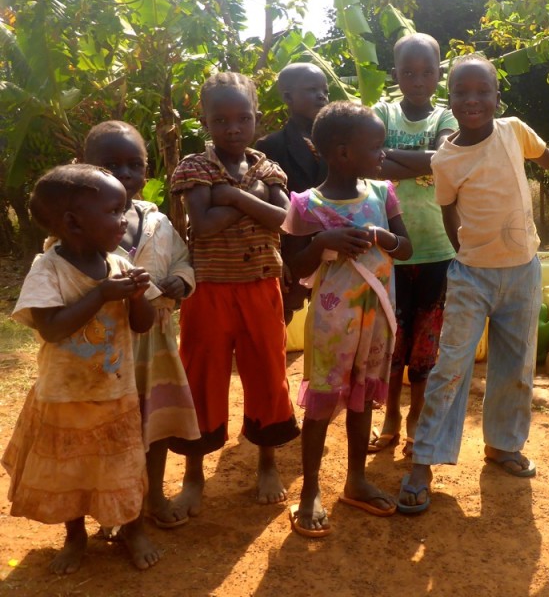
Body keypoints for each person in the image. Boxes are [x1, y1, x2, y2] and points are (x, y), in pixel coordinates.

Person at [396, 55, 549, 514]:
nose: (473, 100)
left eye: (483, 92)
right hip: (472, 276)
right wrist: (464, 250)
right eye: (463, 92)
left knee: (517, 366)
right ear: (451, 99)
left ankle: (502, 445)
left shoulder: (513, 130)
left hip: (523, 269)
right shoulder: (446, 159)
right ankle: (424, 461)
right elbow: (447, 208)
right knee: (451, 367)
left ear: (497, 98)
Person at [3, 164, 160, 573]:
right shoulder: (49, 269)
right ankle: (76, 537)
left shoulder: (120, 265)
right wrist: (102, 295)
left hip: (114, 396)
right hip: (65, 398)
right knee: (70, 471)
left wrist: (138, 296)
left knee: (124, 467)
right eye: (113, 211)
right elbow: (51, 328)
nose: (123, 219)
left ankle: (133, 528)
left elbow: (142, 325)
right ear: (73, 223)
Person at [168, 72, 300, 515]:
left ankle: (266, 462)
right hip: (209, 291)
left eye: (242, 118)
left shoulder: (269, 168)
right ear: (204, 121)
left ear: (256, 119)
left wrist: (233, 197)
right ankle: (193, 476)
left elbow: (284, 219)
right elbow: (202, 225)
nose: (232, 128)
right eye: (220, 119)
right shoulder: (194, 168)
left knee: (267, 370)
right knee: (203, 376)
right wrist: (255, 200)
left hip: (263, 287)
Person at [282, 101, 413, 536]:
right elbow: (296, 268)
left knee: (362, 398)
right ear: (341, 153)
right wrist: (323, 242)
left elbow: (406, 248)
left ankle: (356, 479)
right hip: (331, 324)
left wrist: (382, 235)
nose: (383, 153)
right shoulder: (305, 205)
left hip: (376, 319)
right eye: (375, 146)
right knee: (322, 401)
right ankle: (310, 491)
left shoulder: (382, 194)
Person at [82, 121, 201, 529]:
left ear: (147, 173)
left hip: (156, 342)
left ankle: (154, 494)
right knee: (110, 428)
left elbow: (183, 259)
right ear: (86, 168)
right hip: (106, 348)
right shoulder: (80, 228)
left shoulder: (159, 222)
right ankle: (114, 506)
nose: (125, 174)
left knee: (156, 423)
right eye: (111, 165)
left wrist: (179, 281)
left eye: (134, 164)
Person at [368, 33, 457, 458]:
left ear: (438, 75)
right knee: (391, 342)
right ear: (396, 74)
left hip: (438, 249)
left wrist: (392, 162)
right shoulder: (381, 112)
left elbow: (443, 160)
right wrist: (419, 160)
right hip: (389, 249)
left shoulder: (447, 118)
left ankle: (416, 417)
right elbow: (370, 162)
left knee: (425, 344)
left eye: (426, 72)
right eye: (408, 72)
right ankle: (389, 417)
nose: (417, 79)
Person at [255, 62, 330, 322]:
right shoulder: (271, 145)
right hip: (292, 249)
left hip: (333, 246)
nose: (321, 95)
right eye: (312, 89)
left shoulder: (338, 140)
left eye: (324, 90)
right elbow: (265, 204)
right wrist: (277, 255)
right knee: (281, 315)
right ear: (287, 97)